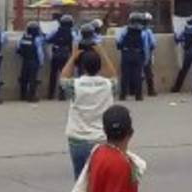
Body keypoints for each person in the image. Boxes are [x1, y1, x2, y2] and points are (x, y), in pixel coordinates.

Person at [60, 45, 118, 180]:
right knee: (102, 181)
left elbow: (63, 77)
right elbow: (114, 75)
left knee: (81, 182)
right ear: (99, 67)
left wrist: (73, 56)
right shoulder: (108, 85)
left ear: (82, 67)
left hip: (78, 138)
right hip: (101, 138)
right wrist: (103, 53)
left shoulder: (75, 85)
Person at [115, 12, 149, 102]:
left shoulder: (124, 30)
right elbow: (145, 46)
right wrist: (146, 58)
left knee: (125, 75)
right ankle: (138, 96)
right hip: (138, 54)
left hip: (126, 53)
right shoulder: (143, 32)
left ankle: (123, 95)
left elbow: (118, 41)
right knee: (137, 75)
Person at [172, 13, 192, 96]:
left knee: (183, 70)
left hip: (188, 52)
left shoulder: (185, 30)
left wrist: (175, 34)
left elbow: (177, 39)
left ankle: (176, 88)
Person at [47, 14, 76, 101]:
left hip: (55, 55)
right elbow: (74, 44)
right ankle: (62, 94)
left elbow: (48, 39)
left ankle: (50, 94)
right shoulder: (72, 33)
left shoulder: (56, 31)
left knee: (53, 74)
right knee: (64, 75)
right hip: (65, 55)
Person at [16, 21, 45, 102]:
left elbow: (18, 48)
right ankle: (31, 96)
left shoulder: (23, 37)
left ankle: (23, 95)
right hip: (34, 61)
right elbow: (39, 52)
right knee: (32, 79)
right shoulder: (37, 39)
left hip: (25, 61)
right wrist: (41, 62)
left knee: (24, 78)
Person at [141, 13, 158, 96]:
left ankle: (134, 91)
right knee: (148, 73)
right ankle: (151, 91)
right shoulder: (148, 31)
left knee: (136, 72)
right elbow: (153, 44)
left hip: (136, 53)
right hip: (147, 54)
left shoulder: (133, 30)